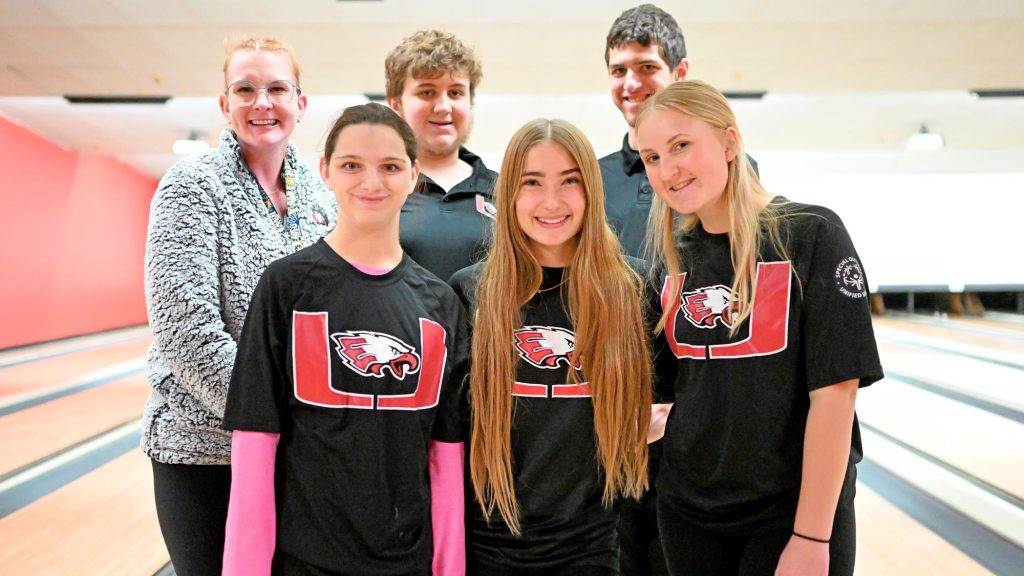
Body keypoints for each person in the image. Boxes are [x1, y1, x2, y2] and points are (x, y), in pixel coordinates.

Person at [636, 80, 883, 576]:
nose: (668, 169)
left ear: (729, 143)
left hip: (788, 516)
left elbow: (835, 396)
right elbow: (663, 395)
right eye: (652, 157)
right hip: (688, 515)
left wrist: (812, 535)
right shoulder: (670, 261)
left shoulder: (812, 235)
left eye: (681, 145)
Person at [220, 103, 468, 575]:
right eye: (352, 165)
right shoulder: (286, 287)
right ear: (325, 172)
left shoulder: (440, 304)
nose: (371, 183)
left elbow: (446, 458)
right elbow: (254, 446)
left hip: (407, 564)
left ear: (414, 175)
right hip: (306, 564)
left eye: (390, 166)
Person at [142, 36, 336, 576]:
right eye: (244, 89)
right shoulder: (191, 186)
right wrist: (275, 419)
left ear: (301, 102)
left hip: (297, 452)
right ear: (225, 105)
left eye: (277, 88)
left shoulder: (323, 200)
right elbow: (187, 331)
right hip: (204, 452)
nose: (262, 103)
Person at [449, 118, 653, 575]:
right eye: (532, 183)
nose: (551, 201)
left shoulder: (634, 289)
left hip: (598, 546)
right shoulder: (471, 293)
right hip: (490, 546)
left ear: (592, 191)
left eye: (569, 182)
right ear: (508, 195)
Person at [386, 29, 499, 282]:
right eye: (427, 92)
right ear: (396, 105)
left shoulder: (506, 191)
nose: (443, 107)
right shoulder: (376, 190)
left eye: (456, 93)